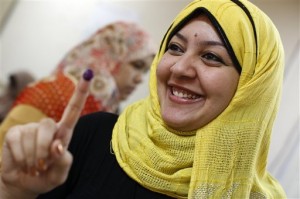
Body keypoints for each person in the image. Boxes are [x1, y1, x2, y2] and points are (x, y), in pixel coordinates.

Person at [0, 0, 287, 198]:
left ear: (253, 87)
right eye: (175, 48)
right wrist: (14, 192)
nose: (178, 68)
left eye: (210, 56)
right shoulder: (94, 137)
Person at [0, 21, 155, 146]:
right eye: (137, 65)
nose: (140, 79)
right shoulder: (54, 93)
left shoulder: (109, 110)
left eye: (145, 71)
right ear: (110, 54)